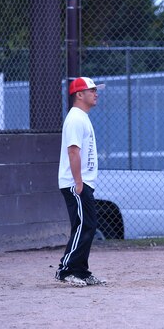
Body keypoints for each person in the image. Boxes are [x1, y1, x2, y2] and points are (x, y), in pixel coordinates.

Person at [56, 77, 108, 287]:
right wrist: (78, 182)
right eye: (91, 90)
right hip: (75, 182)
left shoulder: (82, 117)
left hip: (82, 182)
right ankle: (66, 270)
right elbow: (73, 151)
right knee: (83, 226)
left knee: (88, 225)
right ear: (79, 94)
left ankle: (81, 271)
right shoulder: (76, 118)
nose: (96, 94)